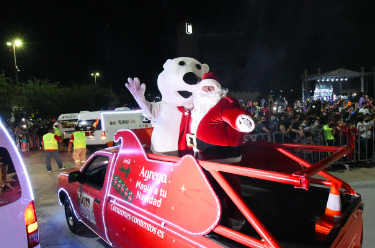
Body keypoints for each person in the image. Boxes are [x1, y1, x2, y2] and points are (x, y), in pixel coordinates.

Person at [189, 72, 255, 231]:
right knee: (208, 192)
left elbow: (232, 115)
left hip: (223, 160)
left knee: (231, 193)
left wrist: (241, 121)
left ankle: (237, 224)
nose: (208, 90)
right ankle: (212, 221)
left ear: (218, 89)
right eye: (205, 87)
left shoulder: (224, 103)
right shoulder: (197, 107)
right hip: (202, 158)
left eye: (211, 87)